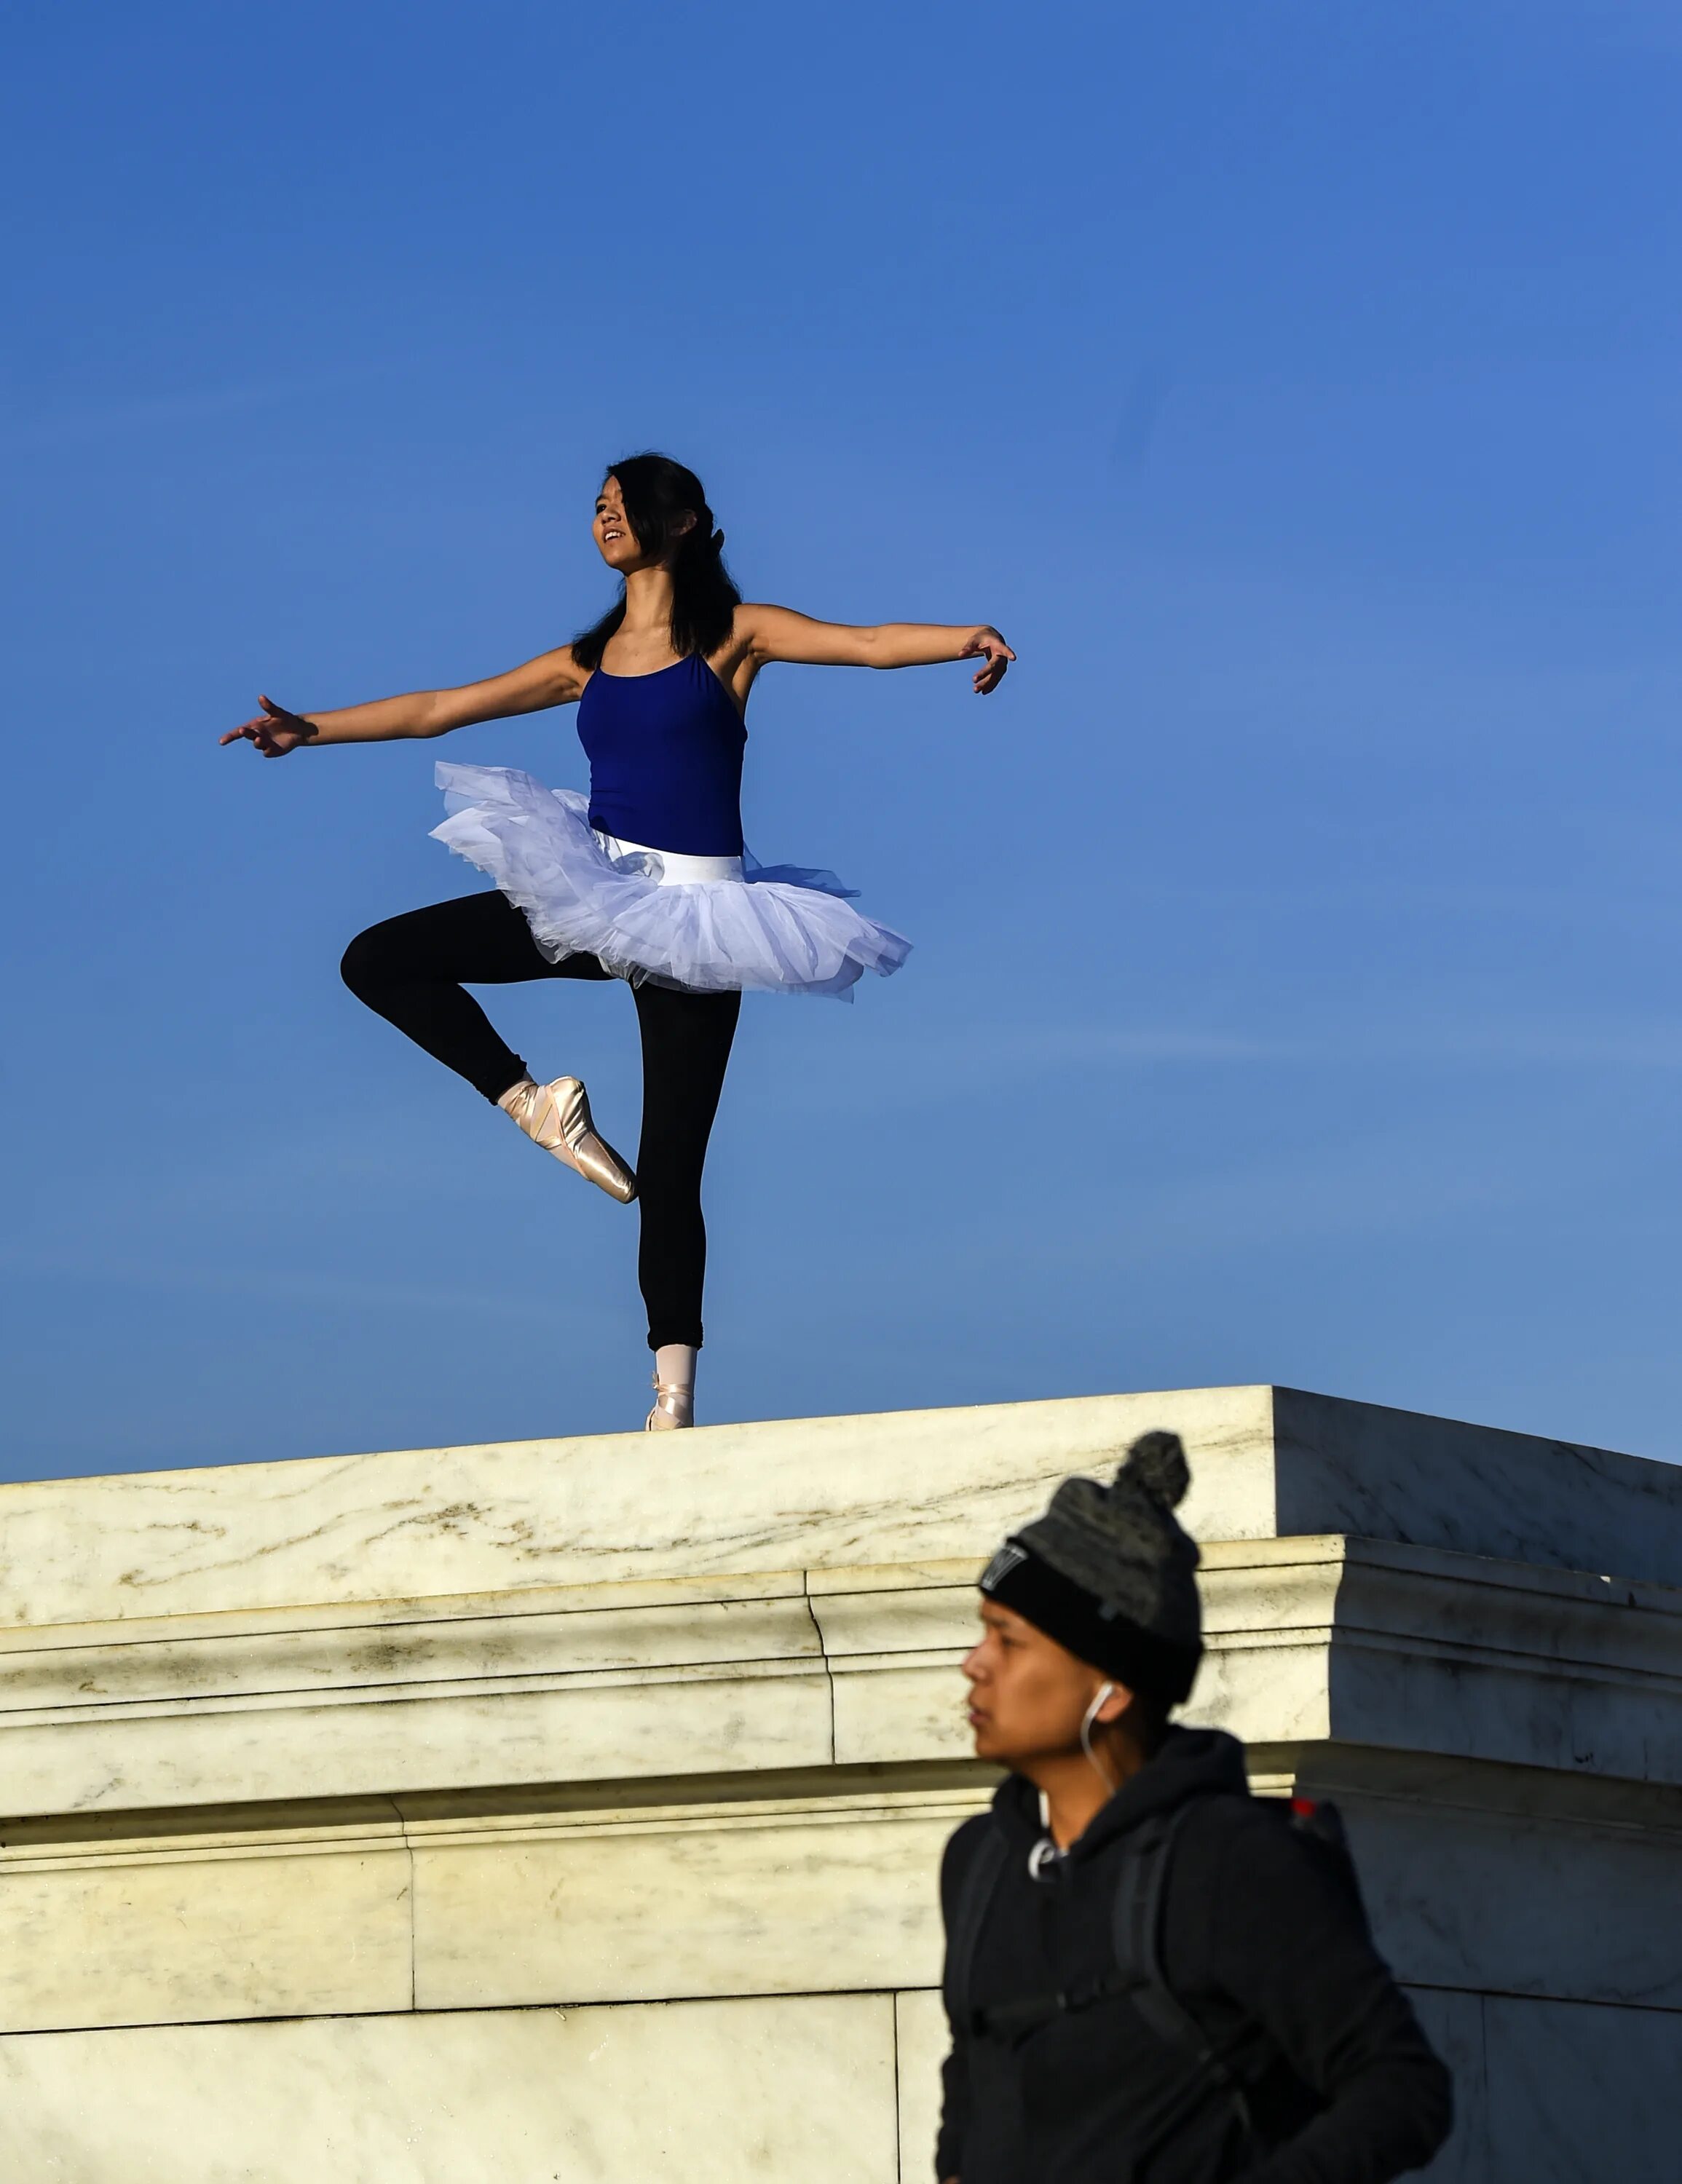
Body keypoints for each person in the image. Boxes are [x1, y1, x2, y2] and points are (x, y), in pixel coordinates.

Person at [222, 452, 1013, 1431]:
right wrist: (311, 729)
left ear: (679, 521)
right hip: (594, 887)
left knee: (672, 1166)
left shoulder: (732, 636)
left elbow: (862, 641)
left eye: (621, 504)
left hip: (702, 920)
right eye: (595, 506)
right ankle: (533, 1107)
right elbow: (438, 709)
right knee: (377, 958)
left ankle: (671, 1398)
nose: (603, 518)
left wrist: (963, 637)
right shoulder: (586, 661)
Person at [937, 1431, 1453, 2184]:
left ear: (1111, 1688)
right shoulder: (979, 1862)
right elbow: (973, 2078)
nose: (973, 1664)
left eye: (1009, 1641)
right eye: (983, 1632)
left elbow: (1402, 2091)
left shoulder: (1230, 1860)